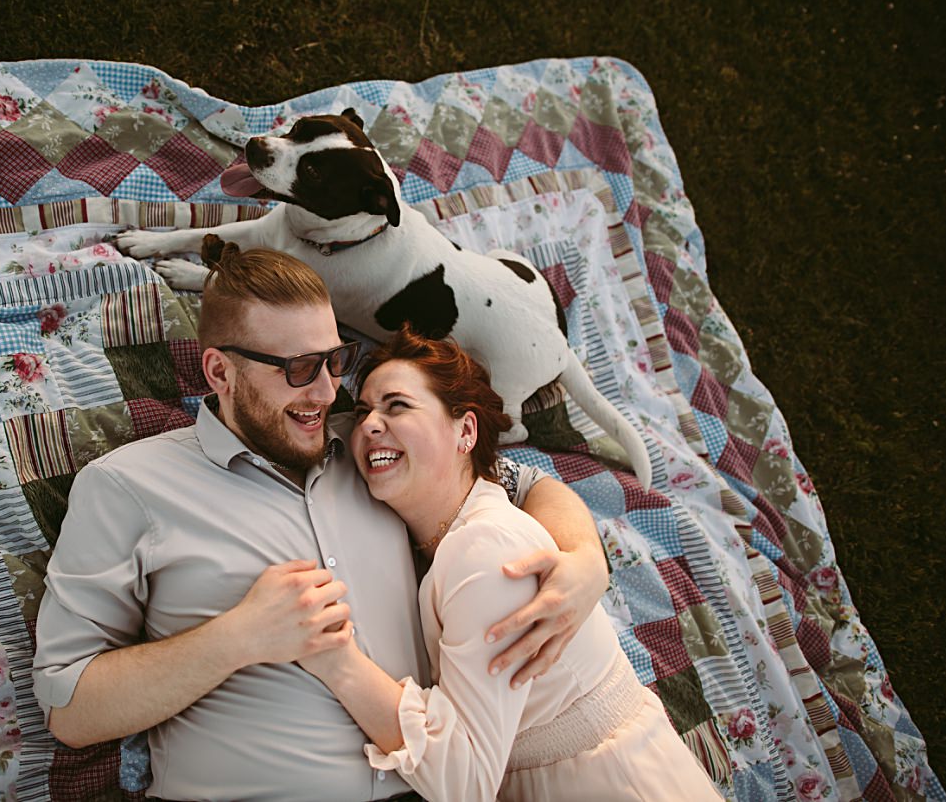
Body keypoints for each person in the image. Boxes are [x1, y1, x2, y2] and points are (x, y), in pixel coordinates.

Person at [32, 246, 612, 801]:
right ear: (220, 372)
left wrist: (587, 558)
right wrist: (237, 638)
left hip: (437, 786)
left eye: (335, 361)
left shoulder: (372, 447)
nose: (327, 391)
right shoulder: (127, 487)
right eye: (299, 368)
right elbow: (69, 709)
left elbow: (522, 483)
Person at [296, 327, 722, 801]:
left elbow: (466, 782)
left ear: (465, 432)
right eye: (362, 413)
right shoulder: (443, 530)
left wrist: (335, 660)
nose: (369, 425)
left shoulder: (484, 551)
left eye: (397, 406)